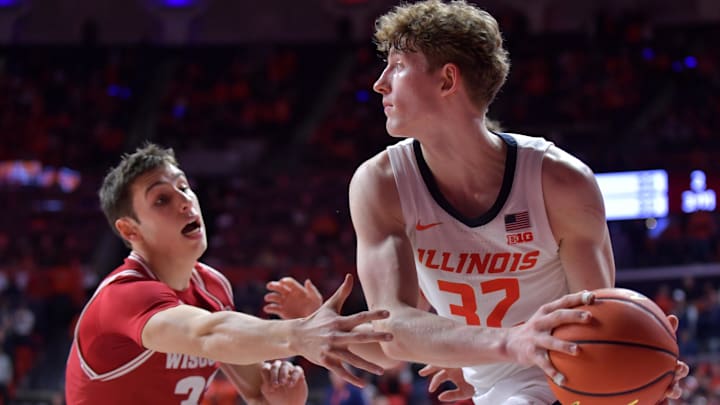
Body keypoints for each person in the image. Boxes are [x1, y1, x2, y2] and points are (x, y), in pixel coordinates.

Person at [268, 1, 689, 403]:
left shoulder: (560, 182)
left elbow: (597, 325)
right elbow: (390, 334)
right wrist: (319, 328)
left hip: (555, 375)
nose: (379, 83)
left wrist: (642, 360)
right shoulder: (380, 184)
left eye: (397, 66)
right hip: (496, 374)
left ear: (448, 80)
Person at [65, 143, 394, 405]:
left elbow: (256, 393)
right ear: (129, 229)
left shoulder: (212, 285)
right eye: (162, 199)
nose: (185, 201)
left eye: (184, 186)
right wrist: (301, 333)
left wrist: (282, 400)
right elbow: (206, 335)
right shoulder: (123, 295)